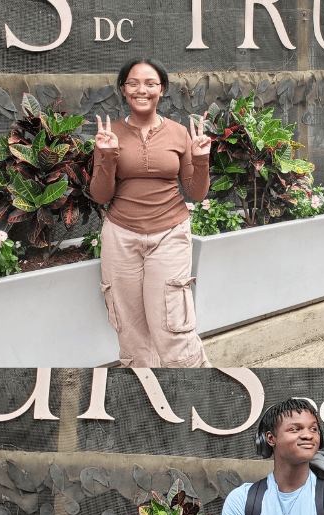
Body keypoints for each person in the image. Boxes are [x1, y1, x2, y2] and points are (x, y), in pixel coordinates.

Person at [89, 57, 212, 368]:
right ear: (123, 89)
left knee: (173, 329)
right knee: (131, 331)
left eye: (150, 83)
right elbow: (100, 195)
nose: (141, 89)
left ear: (162, 90)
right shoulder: (109, 133)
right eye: (133, 83)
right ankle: (146, 399)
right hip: (121, 236)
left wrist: (200, 159)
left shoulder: (179, 133)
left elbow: (196, 192)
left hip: (170, 234)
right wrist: (106, 155)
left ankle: (198, 393)